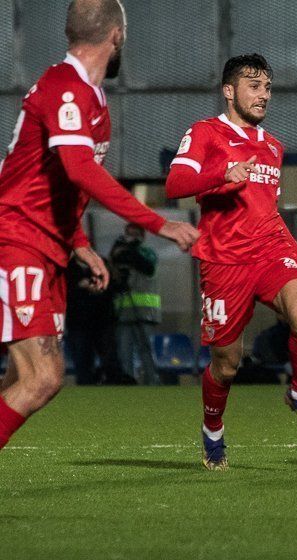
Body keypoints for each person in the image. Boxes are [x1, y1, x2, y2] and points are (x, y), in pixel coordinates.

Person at [0, 0, 199, 452]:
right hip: (17, 239)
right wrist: (158, 224)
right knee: (44, 377)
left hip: (45, 246)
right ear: (116, 36)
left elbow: (56, 188)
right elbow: (78, 170)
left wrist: (81, 245)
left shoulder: (91, 97)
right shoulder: (66, 88)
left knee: (23, 377)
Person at [165, 53, 297, 471]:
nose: (263, 95)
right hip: (223, 264)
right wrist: (223, 175)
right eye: (254, 86)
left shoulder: (273, 147)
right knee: (227, 364)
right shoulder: (205, 132)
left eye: (268, 87)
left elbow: (268, 214)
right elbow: (175, 183)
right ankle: (213, 432)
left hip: (269, 255)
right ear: (229, 91)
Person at [110, 223, 161, 385]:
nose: (131, 237)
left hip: (144, 312)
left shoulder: (147, 252)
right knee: (124, 351)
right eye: (128, 234)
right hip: (123, 311)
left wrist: (127, 250)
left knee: (146, 350)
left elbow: (146, 266)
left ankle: (152, 382)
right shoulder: (118, 254)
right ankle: (128, 383)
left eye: (135, 234)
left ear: (142, 235)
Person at [64, 256, 122, 385]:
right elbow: (62, 291)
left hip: (102, 321)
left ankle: (114, 389)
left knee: (110, 360)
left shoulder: (101, 262)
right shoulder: (67, 267)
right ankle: (85, 392)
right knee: (82, 362)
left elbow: (115, 285)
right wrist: (79, 286)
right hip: (78, 323)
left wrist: (97, 285)